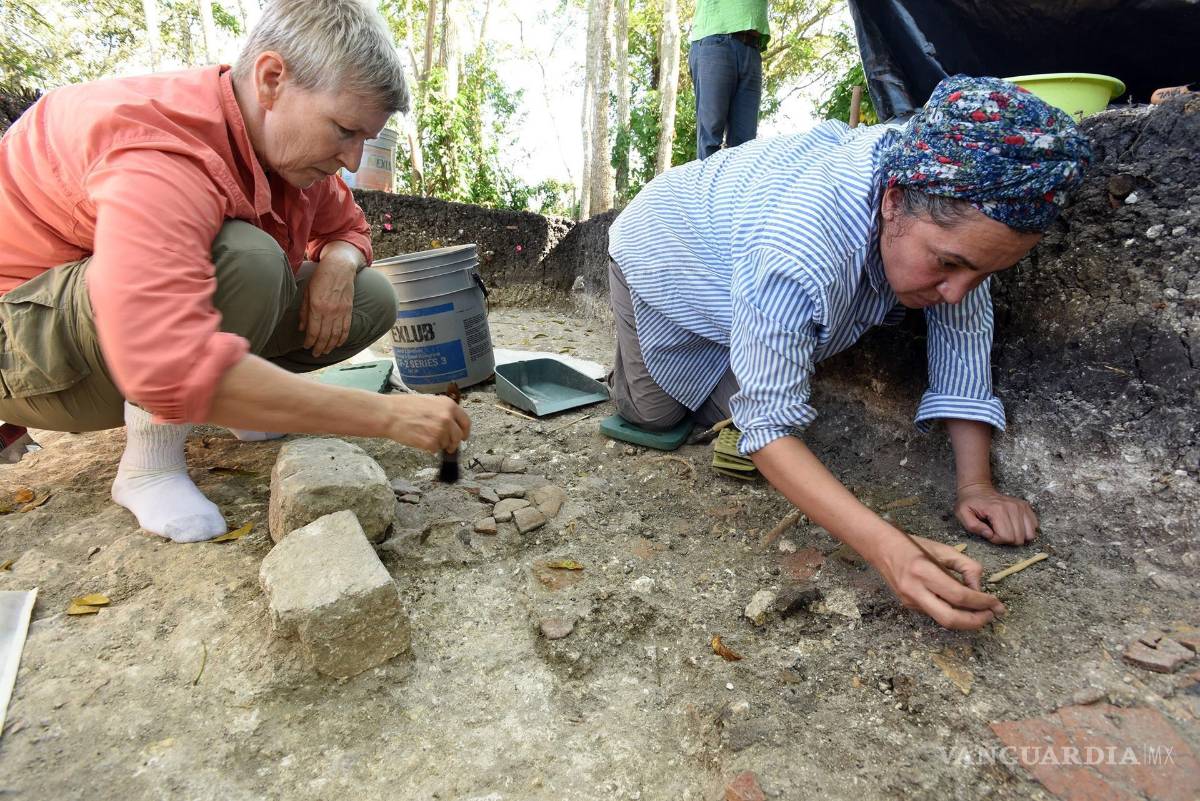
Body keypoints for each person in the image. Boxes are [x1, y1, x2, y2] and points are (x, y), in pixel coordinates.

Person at [607, 75, 1091, 630]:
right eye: (950, 265)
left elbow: (962, 338)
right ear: (892, 202)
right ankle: (638, 351)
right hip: (664, 250)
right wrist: (892, 550)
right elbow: (768, 427)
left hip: (746, 263)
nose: (957, 292)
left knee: (743, 401)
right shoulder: (801, 247)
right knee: (655, 414)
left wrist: (976, 485)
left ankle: (743, 342)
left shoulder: (950, 209)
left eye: (986, 273)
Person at [0, 0, 470, 542]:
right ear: (272, 80)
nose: (352, 159)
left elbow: (348, 228)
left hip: (92, 331)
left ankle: (241, 402)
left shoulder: (287, 151)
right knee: (249, 259)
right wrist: (388, 417)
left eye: (364, 138)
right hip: (26, 351)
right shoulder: (161, 146)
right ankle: (149, 465)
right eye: (344, 130)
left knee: (371, 296)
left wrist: (338, 264)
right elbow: (165, 361)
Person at [688, 0, 769, 159]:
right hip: (715, 38)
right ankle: (707, 184)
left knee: (745, 146)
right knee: (710, 140)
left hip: (752, 47)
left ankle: (735, 185)